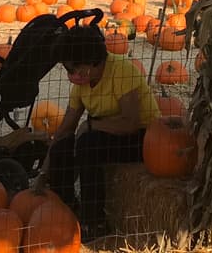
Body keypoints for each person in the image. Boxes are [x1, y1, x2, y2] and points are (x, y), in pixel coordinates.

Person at [43, 24, 159, 241]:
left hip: (145, 139)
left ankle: (93, 222)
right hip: (107, 133)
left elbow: (131, 123)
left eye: (71, 69)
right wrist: (43, 173)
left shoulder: (122, 71)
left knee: (88, 144)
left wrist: (90, 126)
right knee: (64, 146)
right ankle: (66, 207)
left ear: (88, 64)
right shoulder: (82, 84)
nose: (70, 75)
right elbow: (65, 129)